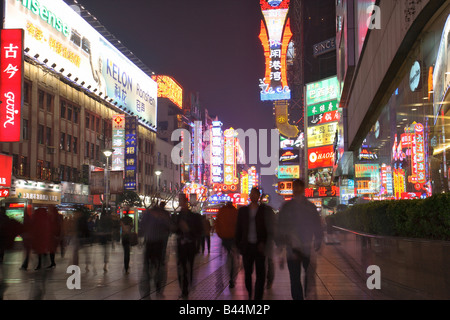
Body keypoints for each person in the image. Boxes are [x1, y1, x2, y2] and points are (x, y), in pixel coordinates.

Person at [276, 179, 323, 300]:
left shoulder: (310, 206)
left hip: (307, 246)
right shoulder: (286, 207)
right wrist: (280, 244)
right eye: (294, 187)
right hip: (292, 248)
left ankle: (307, 293)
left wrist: (318, 238)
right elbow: (280, 225)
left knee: (309, 274)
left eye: (298, 187)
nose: (296, 189)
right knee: (295, 278)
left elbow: (317, 223)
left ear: (303, 189)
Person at [235, 187, 268, 300]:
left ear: (258, 196)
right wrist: (237, 245)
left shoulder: (263, 211)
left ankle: (258, 297)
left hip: (260, 247)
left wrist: (264, 242)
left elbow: (267, 229)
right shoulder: (243, 211)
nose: (253, 196)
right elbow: (238, 229)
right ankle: (250, 292)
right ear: (249, 196)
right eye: (251, 194)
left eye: (255, 194)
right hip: (247, 247)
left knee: (260, 274)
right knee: (247, 273)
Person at [139, 201, 174, 298]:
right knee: (159, 267)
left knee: (148, 268)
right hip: (159, 245)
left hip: (152, 244)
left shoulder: (148, 214)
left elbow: (142, 229)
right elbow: (171, 227)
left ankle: (147, 291)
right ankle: (158, 289)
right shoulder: (165, 215)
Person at [173, 194, 202, 299]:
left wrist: (188, 229)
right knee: (182, 267)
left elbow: (199, 231)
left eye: (182, 200)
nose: (181, 202)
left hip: (190, 245)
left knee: (189, 268)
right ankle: (184, 289)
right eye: (179, 200)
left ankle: (188, 285)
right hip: (181, 245)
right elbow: (175, 229)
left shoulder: (194, 216)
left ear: (186, 201)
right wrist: (176, 227)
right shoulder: (177, 215)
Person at [0, 207, 24, 299]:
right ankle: (2, 287)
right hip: (6, 249)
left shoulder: (7, 221)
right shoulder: (9, 220)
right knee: (5, 274)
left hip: (5, 248)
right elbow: (20, 228)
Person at [215, 201, 238, 288]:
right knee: (232, 259)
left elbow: (217, 223)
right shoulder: (235, 211)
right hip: (232, 238)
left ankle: (222, 279)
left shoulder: (222, 211)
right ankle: (231, 278)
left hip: (224, 238)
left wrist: (220, 234)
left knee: (223, 259)